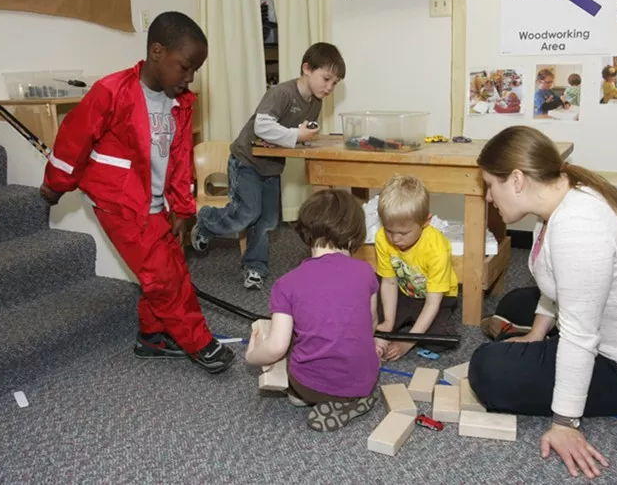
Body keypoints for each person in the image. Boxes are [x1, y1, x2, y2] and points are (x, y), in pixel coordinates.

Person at [470, 126, 617, 479]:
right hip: (612, 331)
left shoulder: (579, 229)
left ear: (517, 180)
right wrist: (536, 336)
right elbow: (555, 288)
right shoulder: (560, 199)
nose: (489, 197)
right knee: (515, 303)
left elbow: (581, 337)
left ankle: (541, 370)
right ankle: (532, 339)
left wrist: (566, 422)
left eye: (491, 185)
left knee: (487, 369)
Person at [39, 11, 235, 374]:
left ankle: (153, 337)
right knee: (163, 276)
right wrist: (54, 185)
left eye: (195, 71)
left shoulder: (181, 102)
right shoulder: (111, 91)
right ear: (157, 52)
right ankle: (198, 341)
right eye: (185, 67)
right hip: (120, 203)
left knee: (170, 265)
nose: (190, 78)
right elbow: (73, 141)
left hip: (155, 203)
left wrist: (182, 208)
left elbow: (178, 159)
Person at [191, 42, 346, 290]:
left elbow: (298, 133)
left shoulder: (315, 102)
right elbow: (262, 127)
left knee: (266, 221)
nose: (329, 87)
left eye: (334, 83)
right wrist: (297, 134)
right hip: (246, 161)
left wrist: (306, 136)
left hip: (271, 166)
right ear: (307, 68)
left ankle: (255, 267)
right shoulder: (282, 93)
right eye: (326, 79)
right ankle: (207, 221)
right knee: (247, 213)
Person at [244, 189, 379, 432]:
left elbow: (276, 347)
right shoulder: (367, 272)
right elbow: (370, 325)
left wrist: (251, 356)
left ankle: (307, 395)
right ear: (356, 233)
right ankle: (352, 398)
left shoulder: (286, 283)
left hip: (309, 385)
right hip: (364, 377)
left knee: (294, 342)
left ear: (305, 232)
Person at [373, 175, 459, 361]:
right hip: (403, 291)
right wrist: (387, 322)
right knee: (368, 316)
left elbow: (433, 303)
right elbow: (388, 281)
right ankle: (393, 327)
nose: (395, 239)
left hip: (438, 297)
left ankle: (412, 330)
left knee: (441, 338)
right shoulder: (381, 238)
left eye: (403, 233)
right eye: (389, 230)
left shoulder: (437, 248)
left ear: (426, 222)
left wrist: (407, 343)